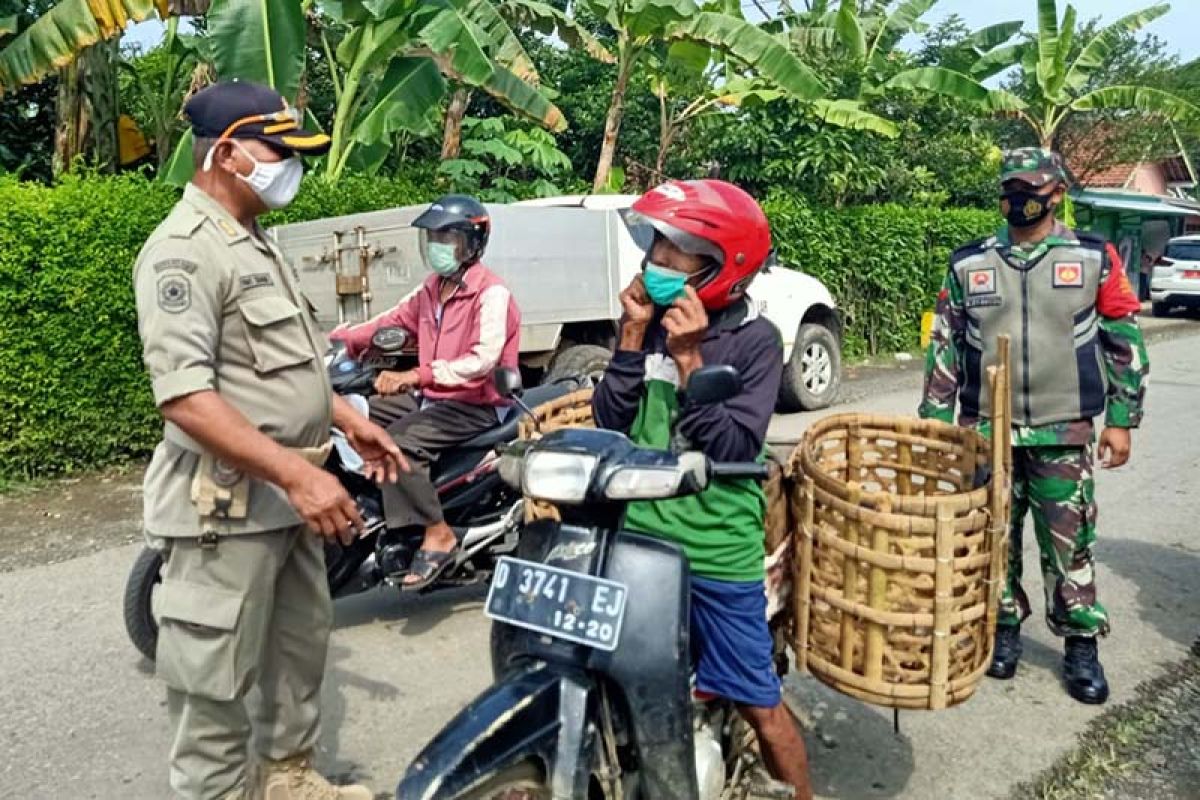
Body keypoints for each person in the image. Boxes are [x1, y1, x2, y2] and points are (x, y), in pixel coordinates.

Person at [133, 80, 407, 800]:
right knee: (213, 681)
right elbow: (186, 400)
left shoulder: (255, 244)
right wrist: (297, 474)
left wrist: (349, 421)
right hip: (227, 511)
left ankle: (289, 779)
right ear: (225, 153)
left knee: (297, 651)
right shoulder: (184, 253)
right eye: (277, 150)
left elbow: (298, 362)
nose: (293, 165)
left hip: (287, 503)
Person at [592, 179, 813, 800]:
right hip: (639, 541)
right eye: (654, 248)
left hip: (716, 550)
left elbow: (734, 448)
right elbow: (611, 420)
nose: (656, 263)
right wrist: (633, 339)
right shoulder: (652, 325)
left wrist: (690, 359)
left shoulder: (754, 342)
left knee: (760, 708)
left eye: (673, 255)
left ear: (723, 267)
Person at [919, 147, 1149, 705]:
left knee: (1069, 543)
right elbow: (945, 345)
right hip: (985, 430)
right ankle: (1002, 631)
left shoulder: (1094, 257)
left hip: (1062, 429)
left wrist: (1122, 419)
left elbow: (1124, 339)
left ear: (1056, 193)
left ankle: (1080, 642)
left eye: (1030, 189)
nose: (1018, 199)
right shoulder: (969, 263)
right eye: (1010, 189)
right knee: (993, 538)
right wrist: (935, 424)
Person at [329, 194, 521, 590]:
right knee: (354, 412)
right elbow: (388, 321)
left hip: (477, 402)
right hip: (433, 397)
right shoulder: (432, 290)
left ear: (472, 243)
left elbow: (482, 360)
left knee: (396, 442)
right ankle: (372, 501)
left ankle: (437, 531)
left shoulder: (492, 294)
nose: (436, 246)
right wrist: (337, 341)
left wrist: (417, 376)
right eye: (431, 237)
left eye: (446, 238)